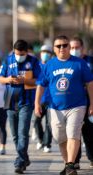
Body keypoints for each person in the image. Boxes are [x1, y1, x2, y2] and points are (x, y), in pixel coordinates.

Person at [35, 35, 93, 175]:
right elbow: (41, 85)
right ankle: (68, 164)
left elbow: (90, 84)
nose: (62, 48)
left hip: (77, 106)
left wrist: (92, 103)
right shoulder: (49, 65)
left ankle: (71, 164)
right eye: (58, 46)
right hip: (55, 108)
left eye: (65, 45)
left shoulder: (79, 63)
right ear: (54, 49)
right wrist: (37, 103)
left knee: (73, 133)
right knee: (60, 137)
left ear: (68, 47)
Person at [0, 39, 41, 174]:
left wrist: (24, 80)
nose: (19, 56)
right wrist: (8, 80)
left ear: (26, 52)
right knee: (15, 135)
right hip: (10, 102)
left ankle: (20, 162)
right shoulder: (8, 60)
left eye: (22, 54)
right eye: (17, 53)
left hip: (26, 103)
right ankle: (24, 157)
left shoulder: (33, 62)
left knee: (23, 133)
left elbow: (39, 80)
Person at [69, 36, 93, 169]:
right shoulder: (69, 62)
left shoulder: (90, 61)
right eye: (71, 47)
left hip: (89, 101)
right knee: (74, 132)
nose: (74, 50)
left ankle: (91, 157)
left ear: (82, 48)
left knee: (89, 132)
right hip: (75, 103)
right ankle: (75, 160)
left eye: (76, 47)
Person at [33, 44, 53, 153]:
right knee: (36, 121)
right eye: (43, 52)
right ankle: (40, 140)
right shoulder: (36, 66)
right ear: (40, 53)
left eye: (48, 52)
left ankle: (47, 144)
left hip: (51, 99)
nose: (45, 54)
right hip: (39, 100)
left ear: (51, 54)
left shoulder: (53, 65)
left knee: (49, 123)